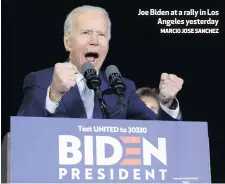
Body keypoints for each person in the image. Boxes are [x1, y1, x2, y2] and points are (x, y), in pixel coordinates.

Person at [17, 5, 184, 120]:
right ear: (68, 42)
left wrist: (166, 102)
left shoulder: (123, 89)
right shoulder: (41, 80)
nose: (94, 41)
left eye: (102, 35)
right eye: (86, 32)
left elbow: (160, 135)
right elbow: (22, 134)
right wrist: (53, 95)